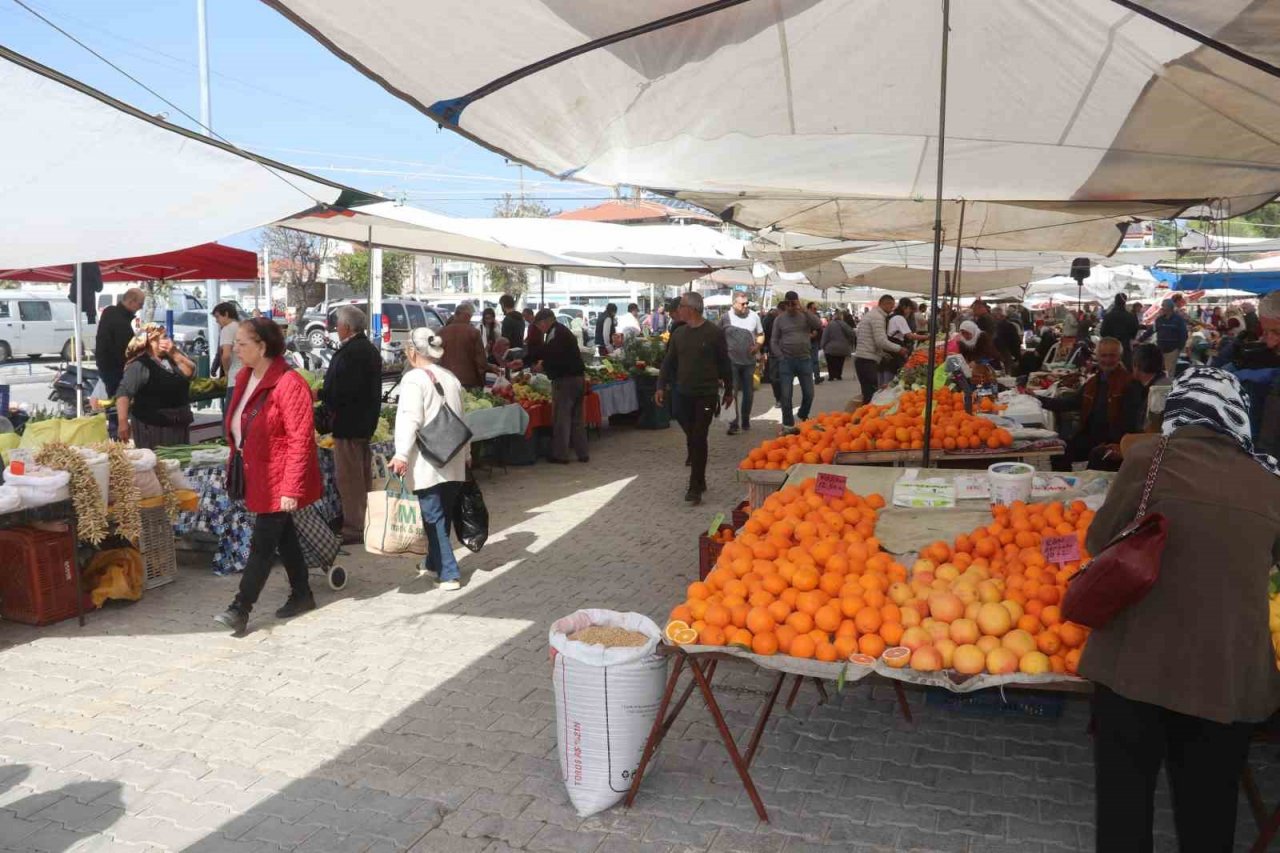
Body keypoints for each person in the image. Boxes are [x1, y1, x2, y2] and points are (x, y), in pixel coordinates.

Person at [1084, 367, 1280, 853]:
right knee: (1210, 809)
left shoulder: (1151, 457)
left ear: (1178, 411)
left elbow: (1098, 541)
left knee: (1124, 803)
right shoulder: (1270, 478)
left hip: (1134, 666)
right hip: (1228, 677)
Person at [214, 318, 323, 634]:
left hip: (278, 478)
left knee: (262, 545)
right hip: (258, 475)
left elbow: (301, 439)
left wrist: (291, 488)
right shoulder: (245, 376)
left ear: (262, 346)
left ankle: (240, 608)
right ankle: (302, 593)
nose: (236, 348)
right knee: (284, 537)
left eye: (242, 343)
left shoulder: (289, 384)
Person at [387, 328, 470, 592]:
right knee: (440, 515)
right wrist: (467, 454)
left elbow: (409, 418)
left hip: (428, 461)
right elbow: (462, 419)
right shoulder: (451, 378)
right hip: (453, 456)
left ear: (412, 351)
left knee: (433, 517)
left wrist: (401, 454)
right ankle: (433, 561)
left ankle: (449, 572)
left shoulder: (414, 379)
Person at [655, 292, 732, 505]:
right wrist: (660, 386)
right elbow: (668, 362)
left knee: (699, 437)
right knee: (692, 435)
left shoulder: (714, 333)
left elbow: (724, 363)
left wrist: (729, 389)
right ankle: (700, 475)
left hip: (706, 394)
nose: (677, 309)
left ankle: (695, 486)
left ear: (691, 308)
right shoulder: (679, 334)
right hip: (682, 394)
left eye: (680, 305)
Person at [320, 305, 382, 545]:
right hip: (363, 422)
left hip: (350, 423)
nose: (336, 328)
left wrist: (323, 394)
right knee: (361, 475)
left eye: (338, 324)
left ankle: (355, 526)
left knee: (350, 478)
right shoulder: (366, 349)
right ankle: (365, 520)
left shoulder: (353, 352)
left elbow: (344, 389)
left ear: (347, 327)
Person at [1040, 337, 1131, 471]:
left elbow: (1131, 420)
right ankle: (1064, 488)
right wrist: (1038, 400)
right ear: (1097, 357)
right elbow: (1071, 403)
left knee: (1096, 459)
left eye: (1112, 355)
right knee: (1058, 452)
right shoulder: (1093, 382)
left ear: (1119, 357)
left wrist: (1120, 445)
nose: (1107, 360)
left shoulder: (1128, 382)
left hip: (1113, 440)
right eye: (1103, 355)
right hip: (1090, 436)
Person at [114, 323, 195, 449]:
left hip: (179, 424)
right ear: (151, 341)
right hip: (153, 427)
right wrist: (123, 421)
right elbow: (123, 392)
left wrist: (174, 353)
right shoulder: (140, 365)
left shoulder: (172, 358)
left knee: (178, 464)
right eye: (164, 337)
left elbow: (191, 372)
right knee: (159, 464)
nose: (168, 340)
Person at [1089, 343, 1169, 470]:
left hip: (1155, 452)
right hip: (1155, 446)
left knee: (1098, 454)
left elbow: (1153, 434)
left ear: (1136, 366)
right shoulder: (1161, 384)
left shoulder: (1157, 392)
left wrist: (1124, 449)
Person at [529, 310, 589, 463]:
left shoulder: (556, 333)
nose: (539, 329)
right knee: (577, 419)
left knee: (562, 418)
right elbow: (551, 353)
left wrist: (541, 366)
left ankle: (560, 454)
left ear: (545, 321)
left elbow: (553, 355)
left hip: (565, 380)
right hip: (578, 378)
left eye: (539, 325)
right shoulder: (561, 330)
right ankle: (582, 453)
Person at [770, 291, 823, 426]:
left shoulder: (804, 316)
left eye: (793, 303)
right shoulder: (779, 319)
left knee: (809, 394)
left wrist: (804, 310)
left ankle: (803, 414)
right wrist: (780, 356)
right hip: (786, 360)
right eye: (788, 303)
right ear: (784, 304)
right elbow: (774, 340)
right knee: (786, 396)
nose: (791, 306)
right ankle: (788, 424)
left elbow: (818, 324)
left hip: (804, 359)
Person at [719, 291, 763, 434]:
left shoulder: (754, 316)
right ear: (734, 303)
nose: (745, 306)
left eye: (747, 303)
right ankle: (733, 423)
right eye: (742, 303)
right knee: (732, 392)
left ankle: (745, 418)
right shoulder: (725, 318)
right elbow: (718, 336)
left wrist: (757, 346)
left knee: (748, 394)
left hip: (749, 362)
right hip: (731, 361)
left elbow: (761, 334)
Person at [853, 294, 903, 406]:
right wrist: (899, 349)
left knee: (867, 393)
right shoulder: (877, 317)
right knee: (871, 394)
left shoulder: (872, 315)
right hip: (868, 360)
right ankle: (867, 419)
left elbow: (871, 340)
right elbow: (880, 341)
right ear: (886, 304)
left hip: (863, 358)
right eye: (891, 306)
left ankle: (865, 417)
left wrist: (882, 354)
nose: (892, 310)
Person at [94, 288, 144, 397]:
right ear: (131, 301)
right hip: (115, 370)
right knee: (120, 402)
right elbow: (126, 348)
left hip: (108, 367)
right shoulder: (119, 320)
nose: (141, 307)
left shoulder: (110, 312)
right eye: (140, 304)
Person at [438, 302, 487, 390]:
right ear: (468, 316)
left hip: (446, 380)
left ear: (456, 314)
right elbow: (480, 362)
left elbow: (435, 358)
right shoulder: (474, 332)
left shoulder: (441, 332)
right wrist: (482, 383)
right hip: (469, 381)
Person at [1100, 294, 1140, 367]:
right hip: (1125, 346)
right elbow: (1134, 330)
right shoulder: (1130, 316)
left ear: (1115, 301)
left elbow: (1102, 332)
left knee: (1110, 369)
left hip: (1110, 347)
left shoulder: (1108, 316)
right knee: (1125, 371)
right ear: (1125, 302)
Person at [1154, 298, 1188, 378]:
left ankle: (1169, 388)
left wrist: (1179, 347)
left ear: (1169, 307)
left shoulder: (1178, 319)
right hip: (1160, 349)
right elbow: (1151, 330)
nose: (1161, 307)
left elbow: (1184, 334)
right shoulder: (1159, 319)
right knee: (1159, 371)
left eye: (1163, 305)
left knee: (1169, 373)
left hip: (1172, 350)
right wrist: (1140, 340)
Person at [819, 310, 856, 382]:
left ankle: (831, 376)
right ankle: (838, 375)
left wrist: (822, 345)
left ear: (834, 317)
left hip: (830, 348)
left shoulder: (830, 325)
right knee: (840, 361)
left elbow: (825, 336)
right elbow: (852, 334)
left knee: (830, 362)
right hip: (843, 348)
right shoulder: (845, 325)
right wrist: (850, 344)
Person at [992, 308, 1023, 374]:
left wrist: (1015, 355)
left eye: (994, 316)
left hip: (1006, 353)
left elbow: (1015, 342)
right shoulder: (1007, 325)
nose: (993, 318)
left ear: (1000, 316)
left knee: (1008, 373)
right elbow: (1017, 341)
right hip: (1006, 354)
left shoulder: (1005, 326)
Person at [805, 302, 826, 385]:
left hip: (814, 342)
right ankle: (809, 378)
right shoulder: (805, 317)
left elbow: (819, 327)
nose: (815, 310)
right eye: (814, 309)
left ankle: (816, 377)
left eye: (816, 309)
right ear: (809, 308)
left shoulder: (816, 317)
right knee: (809, 361)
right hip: (807, 342)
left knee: (814, 361)